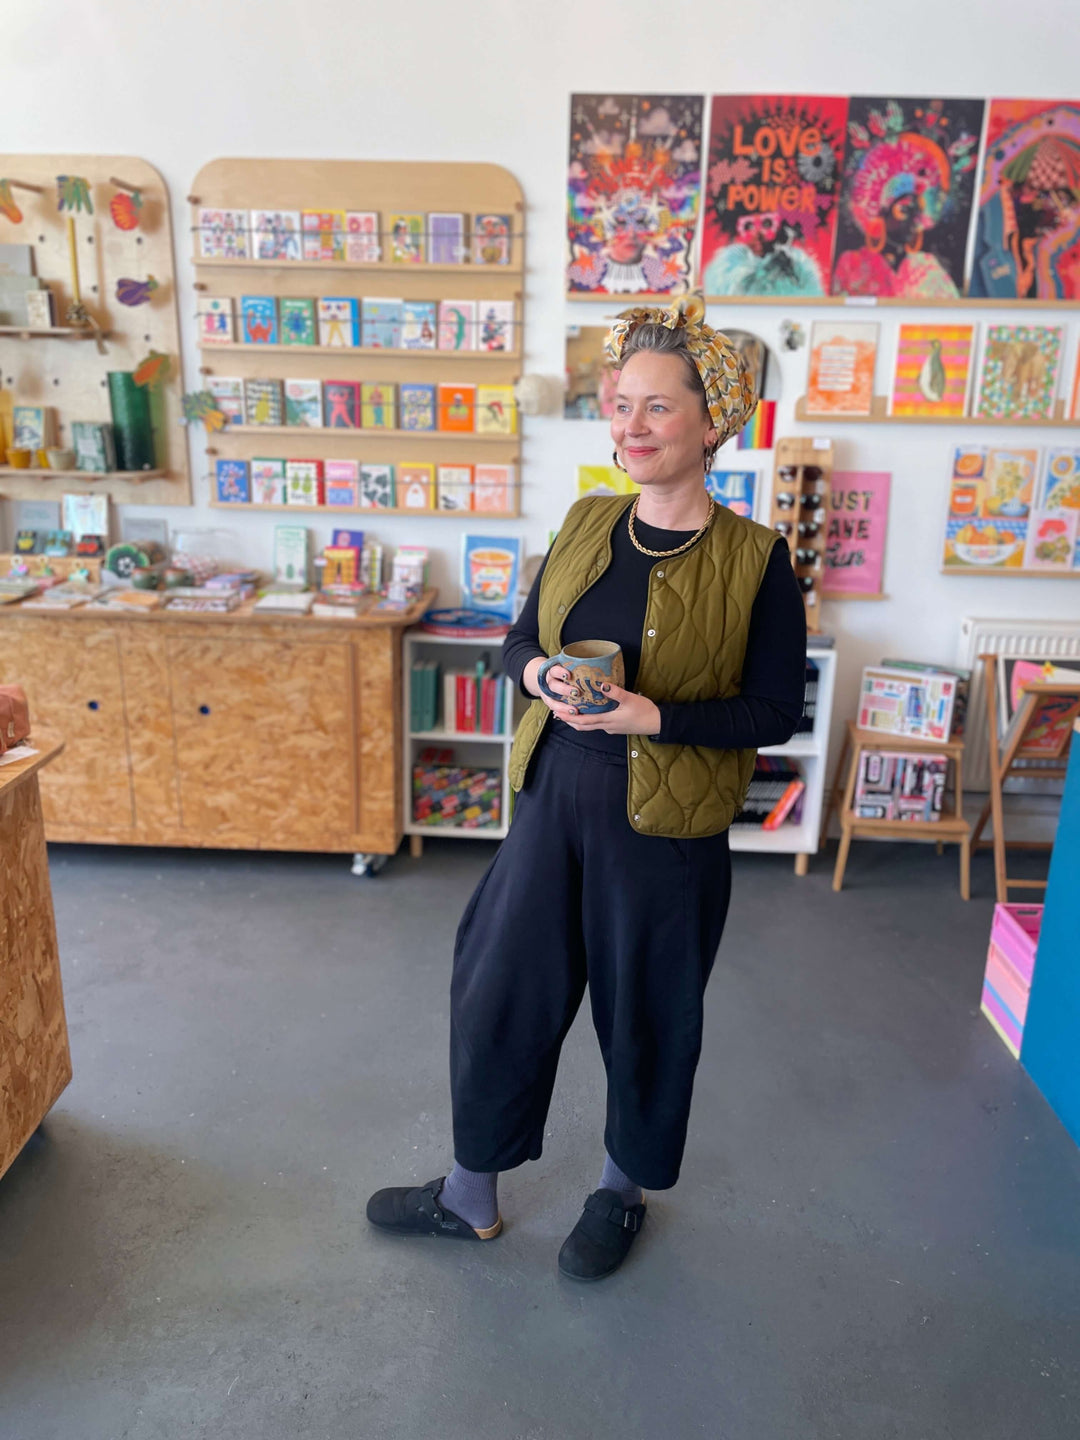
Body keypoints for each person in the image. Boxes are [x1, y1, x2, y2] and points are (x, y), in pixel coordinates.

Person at [367, 294, 807, 1280]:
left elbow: (777, 711)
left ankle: (620, 1191)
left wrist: (655, 717)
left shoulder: (757, 560)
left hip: (665, 826)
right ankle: (467, 1193)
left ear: (712, 422)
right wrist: (543, 678)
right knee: (498, 988)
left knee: (647, 1010)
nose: (631, 427)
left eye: (656, 408)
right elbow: (520, 641)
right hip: (555, 792)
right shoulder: (584, 521)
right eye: (619, 406)